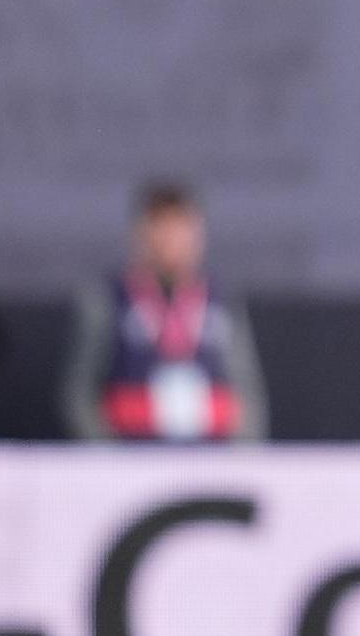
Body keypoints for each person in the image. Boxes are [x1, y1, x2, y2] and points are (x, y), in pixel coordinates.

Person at [62, 179, 267, 442]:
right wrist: (105, 455)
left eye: (181, 229)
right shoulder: (107, 301)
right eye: (162, 229)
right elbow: (80, 391)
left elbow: (246, 389)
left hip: (211, 460)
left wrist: (242, 455)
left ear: (198, 235)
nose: (171, 240)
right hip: (130, 459)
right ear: (141, 234)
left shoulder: (221, 302)